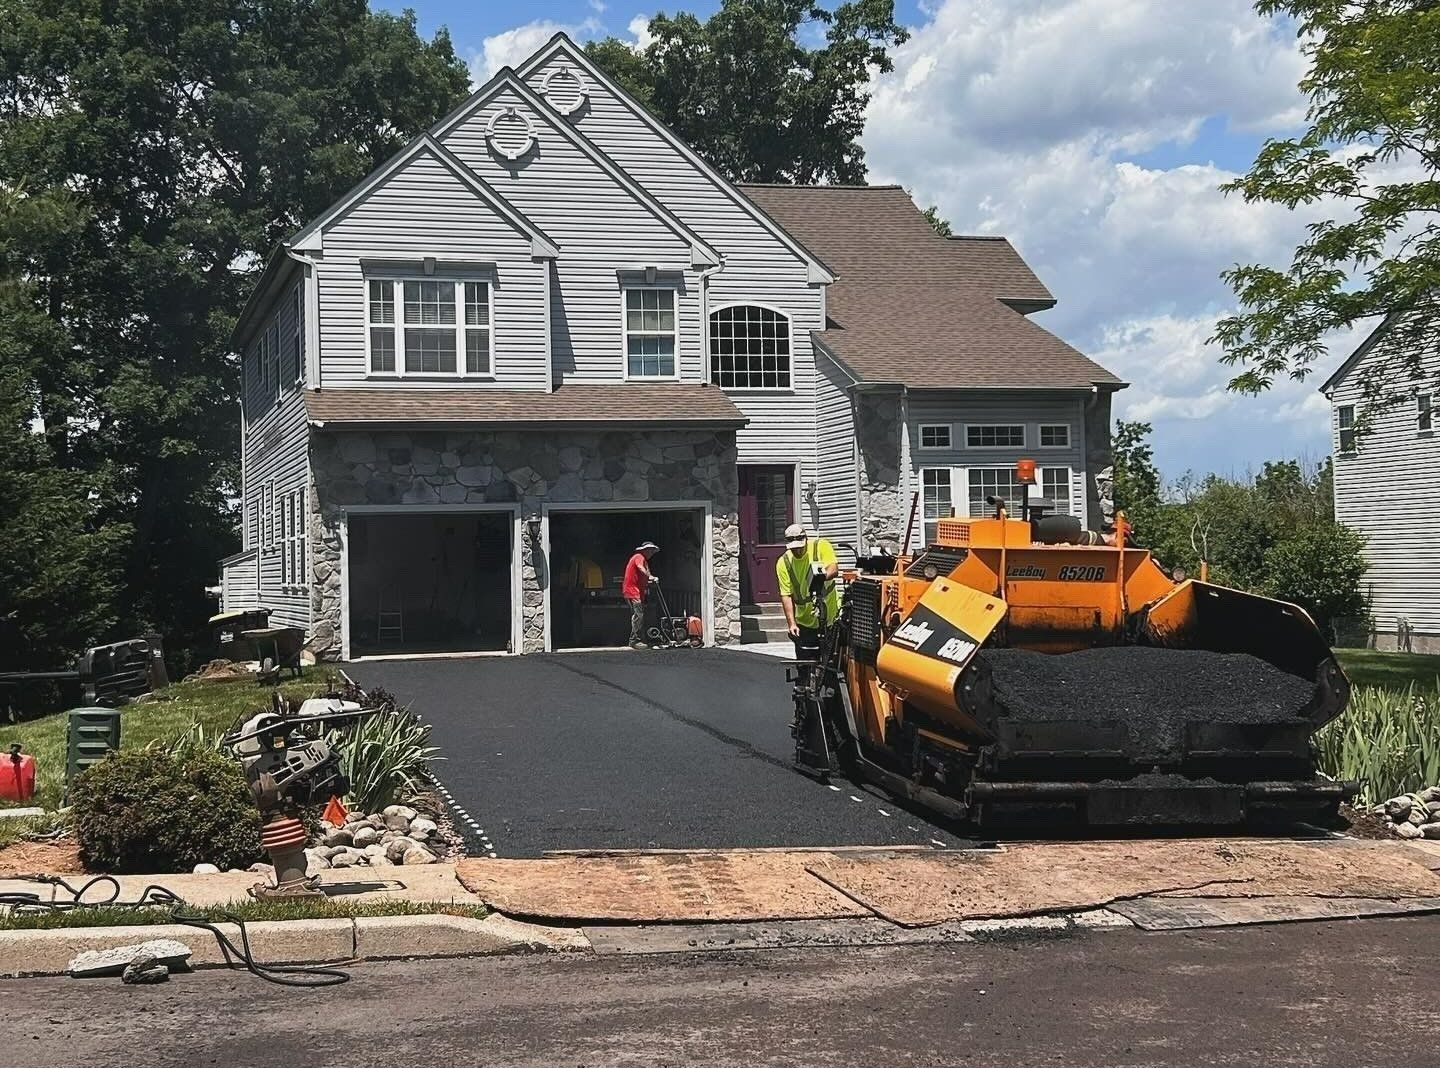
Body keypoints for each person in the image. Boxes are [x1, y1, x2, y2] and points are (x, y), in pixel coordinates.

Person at [775, 523, 839, 660]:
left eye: (800, 547)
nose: (797, 551)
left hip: (829, 616)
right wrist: (792, 623)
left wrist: (819, 579)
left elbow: (833, 569)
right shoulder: (784, 562)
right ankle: (806, 679)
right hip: (804, 621)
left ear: (806, 539)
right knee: (805, 663)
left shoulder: (820, 546)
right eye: (794, 549)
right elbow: (786, 594)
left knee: (830, 665)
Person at [622, 541, 659, 649]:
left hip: (637, 591)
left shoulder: (645, 561)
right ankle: (634, 641)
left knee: (637, 616)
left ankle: (640, 638)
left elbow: (643, 576)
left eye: (652, 551)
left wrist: (650, 580)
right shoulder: (639, 557)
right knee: (638, 615)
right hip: (633, 591)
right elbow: (640, 568)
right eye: (649, 550)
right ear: (644, 550)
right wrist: (651, 577)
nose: (651, 552)